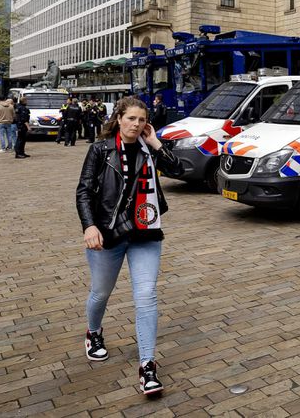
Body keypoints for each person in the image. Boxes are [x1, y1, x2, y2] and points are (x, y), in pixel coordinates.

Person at [76, 97, 183, 398]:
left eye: (141, 119)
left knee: (146, 295)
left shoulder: (150, 148)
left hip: (145, 232)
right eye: (131, 119)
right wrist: (89, 226)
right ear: (119, 118)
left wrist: (158, 145)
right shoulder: (100, 150)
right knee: (101, 292)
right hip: (108, 233)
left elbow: (180, 169)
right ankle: (93, 332)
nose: (136, 125)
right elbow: (84, 191)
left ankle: (148, 366)